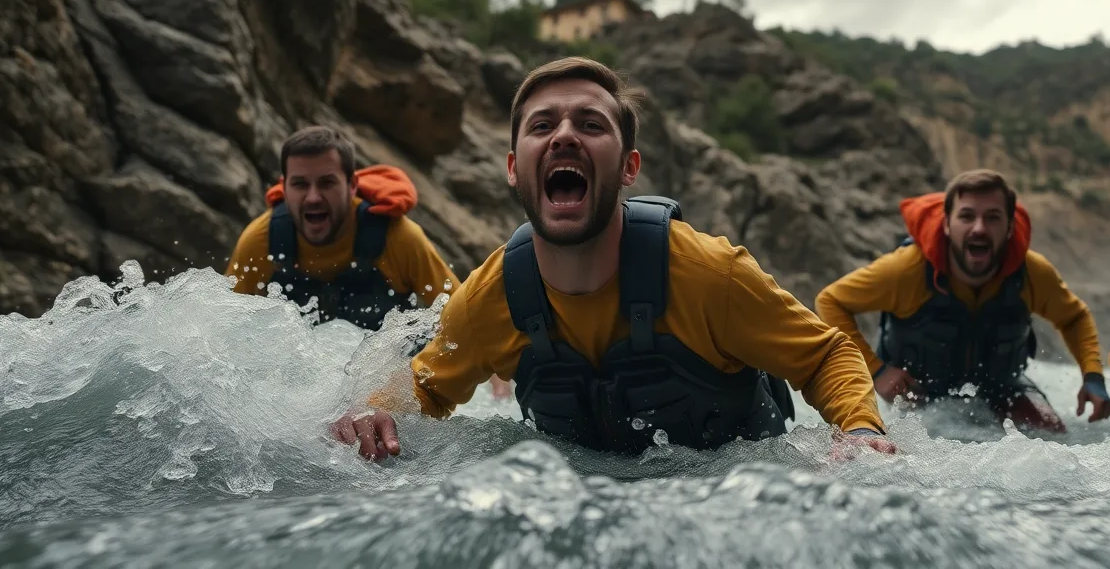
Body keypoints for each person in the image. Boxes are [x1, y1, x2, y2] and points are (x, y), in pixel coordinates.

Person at [331, 56, 894, 460]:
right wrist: (374, 412)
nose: (565, 137)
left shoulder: (708, 274)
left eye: (591, 124)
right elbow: (426, 389)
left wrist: (861, 431)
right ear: (512, 166)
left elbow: (826, 355)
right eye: (543, 125)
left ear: (628, 168)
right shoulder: (493, 297)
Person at [814, 169, 1110, 433]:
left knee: (1051, 437)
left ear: (1010, 227)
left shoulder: (1032, 273)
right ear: (947, 224)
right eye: (967, 215)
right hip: (921, 395)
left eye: (993, 217)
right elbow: (830, 301)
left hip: (1002, 389)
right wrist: (876, 371)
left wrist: (1093, 376)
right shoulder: (907, 270)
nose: (979, 228)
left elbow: (1074, 317)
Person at [224, 125, 460, 339]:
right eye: (300, 184)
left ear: (352, 185)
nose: (313, 197)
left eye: (327, 183)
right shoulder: (260, 242)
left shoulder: (398, 237)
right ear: (283, 188)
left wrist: (496, 381)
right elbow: (223, 332)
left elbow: (465, 319)